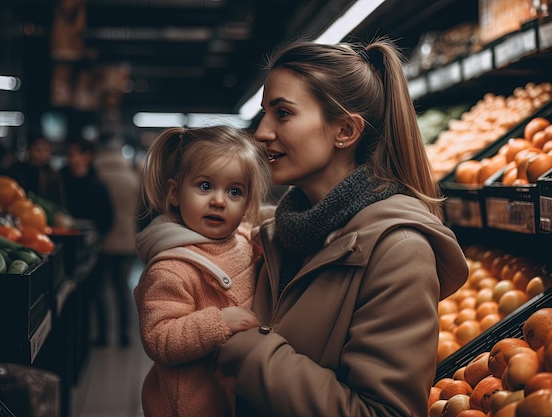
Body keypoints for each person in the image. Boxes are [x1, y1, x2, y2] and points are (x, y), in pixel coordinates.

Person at [216, 38, 470, 417]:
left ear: (346, 132)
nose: (261, 133)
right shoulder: (278, 235)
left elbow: (385, 412)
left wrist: (253, 354)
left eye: (282, 113)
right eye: (264, 113)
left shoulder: (399, 251)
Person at [133, 125, 271, 417]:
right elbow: (158, 338)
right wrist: (218, 322)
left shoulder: (245, 240)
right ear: (174, 193)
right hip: (191, 406)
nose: (219, 200)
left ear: (246, 204)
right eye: (205, 186)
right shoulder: (172, 268)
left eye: (234, 191)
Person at [91, 138, 142, 347]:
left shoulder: (98, 177)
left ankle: (104, 335)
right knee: (122, 288)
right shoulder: (132, 178)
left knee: (101, 289)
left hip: (102, 241)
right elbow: (140, 210)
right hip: (127, 240)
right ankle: (124, 335)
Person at [7, 134, 66, 206]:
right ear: (29, 150)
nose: (42, 154)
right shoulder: (18, 170)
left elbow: (58, 200)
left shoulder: (52, 174)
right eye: (38, 150)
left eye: (46, 150)